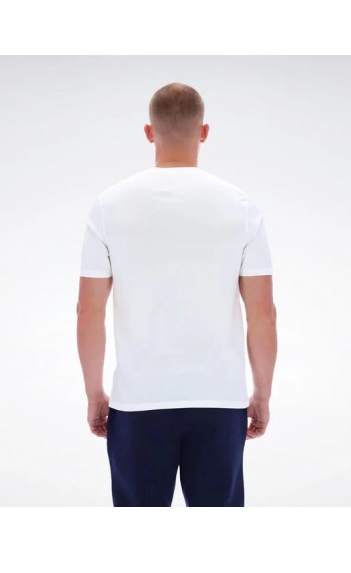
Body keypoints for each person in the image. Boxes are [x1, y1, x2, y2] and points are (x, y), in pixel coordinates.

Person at [76, 82, 277, 507]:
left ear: (149, 132)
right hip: (219, 401)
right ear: (204, 132)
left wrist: (95, 393)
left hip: (138, 403)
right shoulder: (240, 207)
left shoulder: (109, 207)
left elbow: (88, 312)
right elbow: (263, 314)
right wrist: (262, 393)